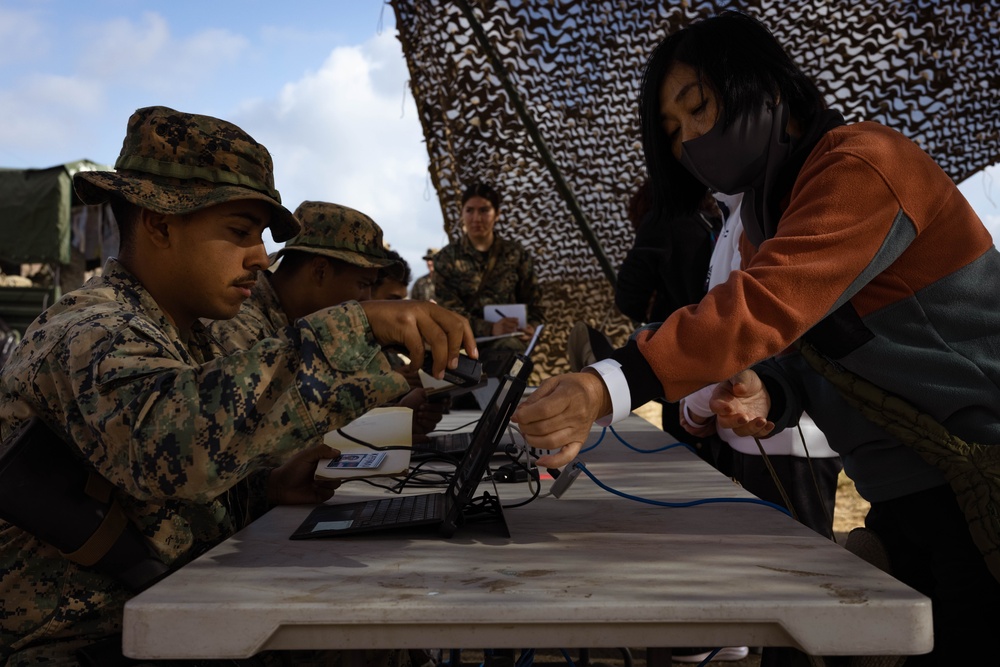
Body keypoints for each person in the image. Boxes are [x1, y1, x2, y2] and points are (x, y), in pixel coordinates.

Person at [513, 11, 1000, 665]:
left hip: (979, 486)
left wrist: (607, 383)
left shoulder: (865, 166)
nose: (690, 140)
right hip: (907, 497)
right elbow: (823, 351)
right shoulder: (763, 224)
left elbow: (766, 303)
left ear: (765, 87)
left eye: (699, 108)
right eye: (674, 131)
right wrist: (768, 386)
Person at [0, 106, 475, 666]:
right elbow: (169, 444)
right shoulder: (87, 331)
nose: (260, 257)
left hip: (169, 613)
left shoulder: (177, 332)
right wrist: (358, 323)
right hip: (88, 644)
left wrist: (266, 489)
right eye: (238, 232)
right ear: (158, 222)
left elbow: (160, 508)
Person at [209, 201, 446, 443]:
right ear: (320, 271)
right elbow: (258, 439)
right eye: (363, 285)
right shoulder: (239, 322)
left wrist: (397, 420)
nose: (368, 300)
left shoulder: (296, 322)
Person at [678, 192, 842, 538]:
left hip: (786, 437)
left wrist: (699, 398)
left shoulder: (764, 209)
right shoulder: (734, 211)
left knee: (796, 569)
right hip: (744, 431)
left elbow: (757, 328)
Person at [433, 182, 543, 355]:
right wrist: (490, 328)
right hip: (464, 348)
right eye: (469, 210)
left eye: (484, 210)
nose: (476, 218)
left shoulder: (516, 255)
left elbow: (535, 303)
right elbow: (448, 313)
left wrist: (532, 327)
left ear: (497, 214)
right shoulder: (446, 259)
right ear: (462, 213)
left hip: (509, 348)